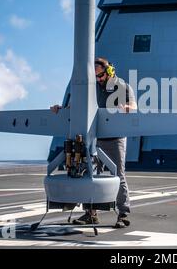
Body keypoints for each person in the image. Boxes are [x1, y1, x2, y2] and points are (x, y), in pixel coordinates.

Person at [50, 57, 137, 228]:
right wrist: (59, 110)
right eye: (95, 77)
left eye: (100, 76)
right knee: (89, 174)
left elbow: (134, 106)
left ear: (109, 72)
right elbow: (75, 108)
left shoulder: (123, 87)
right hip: (95, 139)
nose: (98, 80)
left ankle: (123, 213)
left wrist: (126, 108)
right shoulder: (92, 88)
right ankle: (91, 214)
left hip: (115, 138)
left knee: (118, 175)